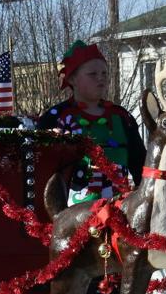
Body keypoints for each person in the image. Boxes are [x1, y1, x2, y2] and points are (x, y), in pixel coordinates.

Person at [36, 41, 145, 206]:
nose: (100, 78)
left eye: (104, 73)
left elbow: (140, 164)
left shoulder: (122, 117)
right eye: (93, 74)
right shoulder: (55, 118)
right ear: (72, 79)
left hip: (120, 210)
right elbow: (42, 170)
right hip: (72, 215)